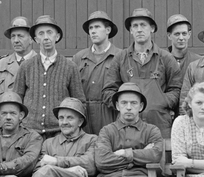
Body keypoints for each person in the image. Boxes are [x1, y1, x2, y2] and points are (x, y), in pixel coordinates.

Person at [110, 8, 182, 137]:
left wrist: (162, 101)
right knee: (126, 156)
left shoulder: (165, 58)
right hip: (126, 125)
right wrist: (123, 104)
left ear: (152, 28)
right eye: (135, 26)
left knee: (159, 156)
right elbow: (108, 89)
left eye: (143, 25)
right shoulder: (120, 58)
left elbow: (176, 89)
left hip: (159, 123)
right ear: (131, 30)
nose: (139, 29)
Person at [14, 14, 85, 138]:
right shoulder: (26, 66)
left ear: (57, 36)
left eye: (49, 32)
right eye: (41, 34)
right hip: (30, 133)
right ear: (35, 39)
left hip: (60, 134)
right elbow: (16, 100)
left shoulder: (70, 66)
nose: (45, 37)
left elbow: (79, 102)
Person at [74, 10, 122, 136]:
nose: (93, 31)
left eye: (97, 27)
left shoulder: (120, 56)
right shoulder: (79, 57)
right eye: (91, 28)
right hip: (84, 114)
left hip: (109, 113)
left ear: (108, 30)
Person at [0, 16, 37, 97]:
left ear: (31, 39)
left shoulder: (41, 63)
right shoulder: (1, 65)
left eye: (20, 36)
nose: (16, 40)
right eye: (13, 36)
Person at [166, 14, 196, 78]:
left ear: (189, 34)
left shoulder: (198, 61)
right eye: (177, 34)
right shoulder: (161, 61)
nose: (181, 38)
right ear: (169, 35)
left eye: (184, 33)